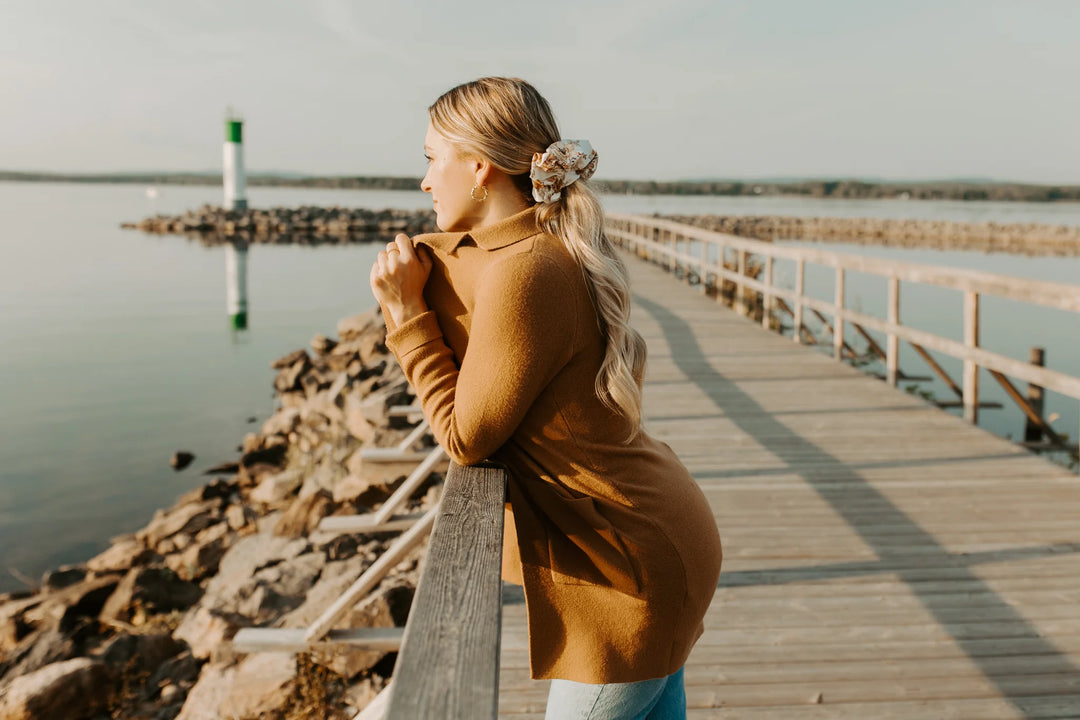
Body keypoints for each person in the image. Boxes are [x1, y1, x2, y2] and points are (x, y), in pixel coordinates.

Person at [370, 77, 722, 720]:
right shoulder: (532, 251)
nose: (423, 180)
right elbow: (466, 258)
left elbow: (464, 438)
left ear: (478, 168)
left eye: (430, 158)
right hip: (644, 542)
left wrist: (405, 314)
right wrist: (424, 260)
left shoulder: (528, 270)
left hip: (626, 573)